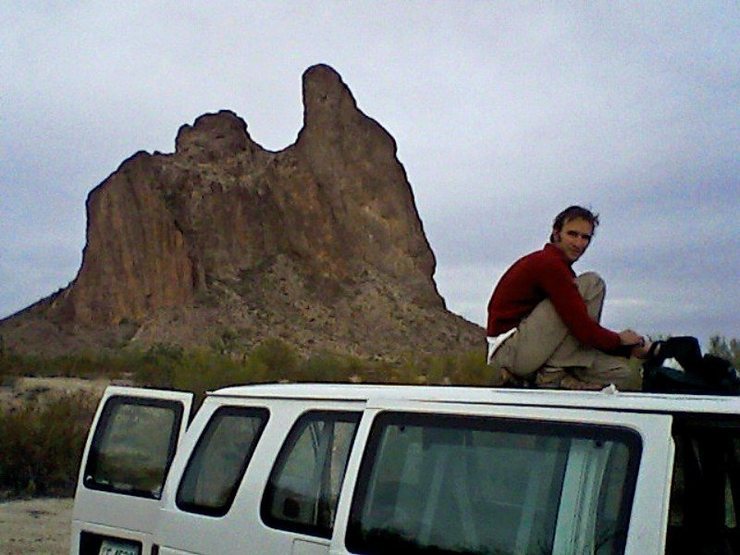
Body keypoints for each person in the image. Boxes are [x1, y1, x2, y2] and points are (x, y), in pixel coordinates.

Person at [486, 205, 648, 390]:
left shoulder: (564, 272)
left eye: (585, 237)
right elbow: (582, 328)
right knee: (593, 283)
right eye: (572, 234)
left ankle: (555, 372)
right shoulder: (549, 264)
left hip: (537, 350)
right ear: (556, 234)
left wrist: (629, 348)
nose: (579, 243)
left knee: (620, 372)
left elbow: (579, 328)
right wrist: (619, 341)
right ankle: (552, 375)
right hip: (511, 352)